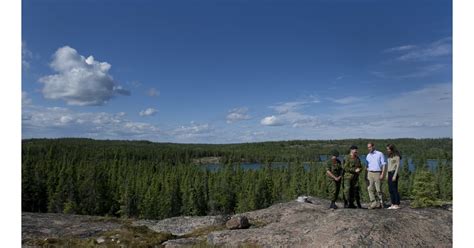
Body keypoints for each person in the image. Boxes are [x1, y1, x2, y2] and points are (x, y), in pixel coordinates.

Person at [366, 142, 387, 209]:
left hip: (377, 173)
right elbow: (367, 165)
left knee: (378, 189)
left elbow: (383, 164)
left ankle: (381, 203)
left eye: (370, 147)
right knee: (370, 188)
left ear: (373, 146)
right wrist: (366, 173)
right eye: (368, 147)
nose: (369, 148)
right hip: (370, 173)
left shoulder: (379, 154)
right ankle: (373, 202)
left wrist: (383, 173)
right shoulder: (368, 155)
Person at [386, 144, 401, 209]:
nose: (387, 150)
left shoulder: (397, 156)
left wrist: (394, 175)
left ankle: (397, 204)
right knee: (390, 189)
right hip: (389, 173)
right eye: (387, 149)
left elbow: (397, 166)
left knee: (394, 189)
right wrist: (386, 174)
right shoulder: (389, 156)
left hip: (393, 173)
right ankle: (392, 203)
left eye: (388, 149)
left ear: (392, 149)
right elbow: (388, 166)